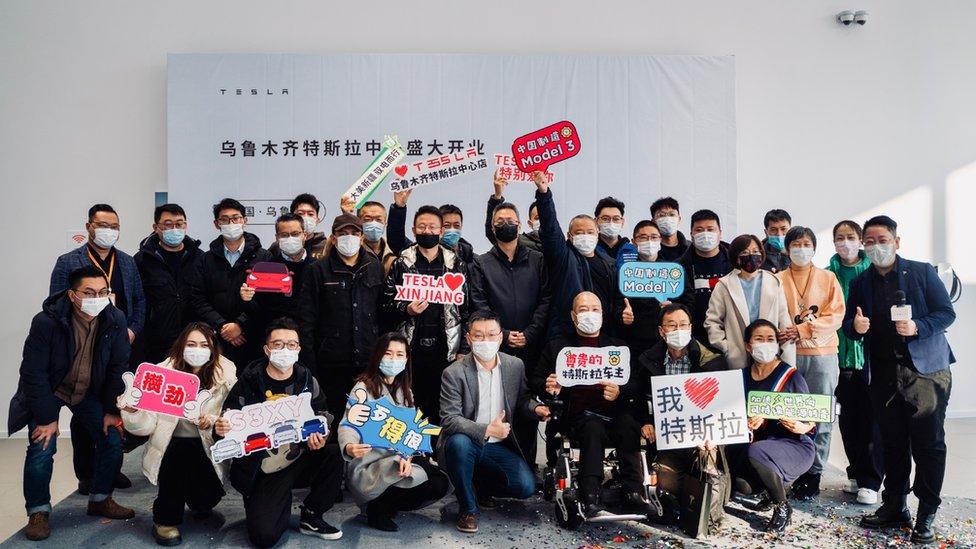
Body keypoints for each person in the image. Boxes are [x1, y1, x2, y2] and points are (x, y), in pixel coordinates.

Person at [843, 215, 956, 544]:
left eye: (882, 240)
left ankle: (927, 512)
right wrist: (856, 328)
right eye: (870, 241)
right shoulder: (861, 282)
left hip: (926, 372)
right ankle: (895, 505)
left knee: (928, 444)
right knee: (891, 443)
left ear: (896, 241)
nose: (876, 247)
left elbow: (946, 312)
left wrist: (918, 326)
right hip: (883, 374)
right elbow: (851, 323)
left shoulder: (921, 272)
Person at [11, 266, 134, 541]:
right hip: (50, 390)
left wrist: (112, 412)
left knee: (112, 439)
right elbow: (33, 372)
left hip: (87, 391)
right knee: (42, 445)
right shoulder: (47, 322)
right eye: (88, 292)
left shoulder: (115, 319)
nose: (96, 298)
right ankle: (38, 510)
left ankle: (100, 498)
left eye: (103, 292)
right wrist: (46, 417)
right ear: (71, 295)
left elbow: (118, 367)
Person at [215, 317, 343, 546]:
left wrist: (322, 436)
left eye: (291, 344)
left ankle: (312, 514)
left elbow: (323, 415)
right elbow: (227, 424)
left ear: (299, 348)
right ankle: (267, 503)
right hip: (264, 467)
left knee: (333, 453)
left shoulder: (307, 380)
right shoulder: (249, 381)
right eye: (278, 344)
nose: (285, 349)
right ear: (267, 349)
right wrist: (222, 428)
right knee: (264, 537)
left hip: (299, 455)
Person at [50, 204, 146, 493]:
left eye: (114, 226)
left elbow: (140, 302)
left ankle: (111, 469)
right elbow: (55, 305)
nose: (108, 231)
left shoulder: (127, 262)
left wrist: (131, 330)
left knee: (115, 409)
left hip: (117, 349)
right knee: (83, 417)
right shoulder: (68, 261)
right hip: (82, 350)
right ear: (89, 226)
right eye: (102, 225)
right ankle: (87, 474)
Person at [121, 323, 237, 546]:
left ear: (213, 348)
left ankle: (199, 499)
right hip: (171, 448)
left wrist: (212, 422)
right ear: (181, 346)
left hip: (208, 448)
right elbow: (145, 427)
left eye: (204, 345)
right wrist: (133, 412)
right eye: (191, 344)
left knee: (205, 501)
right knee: (179, 454)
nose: (197, 349)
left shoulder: (227, 376)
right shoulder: (160, 375)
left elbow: (232, 416)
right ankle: (165, 519)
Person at [439, 310, 550, 534]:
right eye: (478, 336)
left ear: (500, 337)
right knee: (459, 444)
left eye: (491, 335)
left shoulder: (515, 366)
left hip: (498, 446)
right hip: (467, 442)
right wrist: (486, 429)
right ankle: (468, 508)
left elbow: (522, 401)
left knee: (525, 487)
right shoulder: (454, 372)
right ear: (468, 338)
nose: (485, 341)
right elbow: (449, 419)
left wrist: (536, 408)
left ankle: (479, 485)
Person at [534, 292, 642, 516]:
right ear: (573, 316)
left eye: (595, 309)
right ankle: (590, 494)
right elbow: (535, 381)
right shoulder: (558, 348)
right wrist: (549, 385)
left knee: (629, 425)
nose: (589, 314)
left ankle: (634, 492)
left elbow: (636, 384)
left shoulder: (618, 348)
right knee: (592, 426)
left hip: (613, 414)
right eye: (583, 310)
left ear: (602, 314)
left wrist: (620, 392)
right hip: (576, 417)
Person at [469, 199, 551, 471]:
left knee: (526, 407)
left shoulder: (538, 260)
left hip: (532, 345)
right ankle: (491, 472)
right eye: (500, 222)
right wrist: (501, 334)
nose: (506, 225)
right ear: (492, 228)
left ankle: (526, 468)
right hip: (494, 347)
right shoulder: (480, 263)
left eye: (511, 220)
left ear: (520, 224)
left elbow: (546, 299)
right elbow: (478, 303)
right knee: (493, 406)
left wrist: (530, 332)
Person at [338, 333, 450, 532]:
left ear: (406, 360)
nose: (393, 359)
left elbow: (411, 431)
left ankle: (386, 503)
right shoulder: (363, 388)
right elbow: (349, 423)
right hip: (370, 463)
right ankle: (376, 508)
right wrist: (349, 446)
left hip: (396, 458)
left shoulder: (405, 389)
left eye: (400, 354)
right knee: (421, 472)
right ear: (378, 356)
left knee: (439, 482)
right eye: (388, 354)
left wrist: (408, 456)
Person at [775, 226, 845, 500]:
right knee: (788, 412)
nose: (801, 249)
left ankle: (814, 472)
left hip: (822, 355)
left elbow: (836, 316)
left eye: (806, 243)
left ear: (814, 248)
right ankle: (790, 467)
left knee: (820, 413)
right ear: (787, 248)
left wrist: (803, 330)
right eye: (796, 244)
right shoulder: (777, 279)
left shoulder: (828, 278)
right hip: (788, 355)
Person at [728, 319, 816, 533]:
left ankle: (782, 506)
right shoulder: (741, 377)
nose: (765, 344)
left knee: (758, 451)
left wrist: (801, 426)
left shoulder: (790, 376)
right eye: (759, 339)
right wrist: (747, 420)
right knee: (742, 484)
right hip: (758, 448)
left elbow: (812, 422)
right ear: (748, 346)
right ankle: (771, 489)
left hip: (794, 446)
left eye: (771, 339)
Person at [384, 204, 469, 425]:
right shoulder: (402, 262)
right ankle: (416, 455)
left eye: (433, 227)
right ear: (413, 230)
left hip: (446, 347)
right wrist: (406, 308)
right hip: (411, 347)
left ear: (441, 231)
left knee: (442, 403)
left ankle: (437, 453)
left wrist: (463, 348)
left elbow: (466, 308)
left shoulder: (455, 263)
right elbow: (384, 303)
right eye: (422, 227)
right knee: (411, 402)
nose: (427, 231)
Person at [630, 304, 728, 495]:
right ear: (661, 331)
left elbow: (721, 405)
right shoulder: (647, 361)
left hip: (701, 438)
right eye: (672, 326)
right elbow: (639, 396)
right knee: (665, 490)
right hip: (666, 436)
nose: (678, 330)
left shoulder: (713, 362)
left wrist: (712, 432)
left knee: (705, 482)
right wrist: (646, 422)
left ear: (691, 328)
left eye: (683, 325)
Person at [298, 213, 383, 430]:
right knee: (333, 421)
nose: (349, 238)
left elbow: (383, 314)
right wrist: (310, 366)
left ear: (362, 237)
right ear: (333, 238)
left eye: (354, 233)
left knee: (367, 422)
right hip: (331, 364)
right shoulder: (317, 270)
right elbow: (307, 321)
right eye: (342, 234)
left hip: (367, 362)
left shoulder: (374, 267)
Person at [825, 220, 883, 504]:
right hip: (838, 357)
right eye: (839, 237)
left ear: (860, 240)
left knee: (871, 421)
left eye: (850, 237)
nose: (844, 242)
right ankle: (856, 473)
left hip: (870, 359)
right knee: (847, 420)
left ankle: (872, 480)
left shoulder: (872, 273)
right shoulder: (827, 274)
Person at [532, 171, 619, 338]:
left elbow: (614, 301)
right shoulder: (563, 257)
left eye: (590, 232)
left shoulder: (609, 264)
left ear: (597, 235)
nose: (585, 236)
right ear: (569, 236)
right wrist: (544, 194)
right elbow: (550, 228)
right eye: (579, 232)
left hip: (602, 335)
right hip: (565, 333)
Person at [188, 198, 270, 366]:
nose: (231, 223)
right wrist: (222, 326)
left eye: (236, 218)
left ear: (245, 221)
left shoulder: (264, 258)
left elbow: (266, 300)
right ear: (216, 223)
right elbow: (197, 298)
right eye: (224, 219)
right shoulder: (205, 260)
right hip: (216, 339)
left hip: (252, 338)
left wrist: (240, 325)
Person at [704, 234, 796, 369]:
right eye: (745, 252)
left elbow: (784, 320)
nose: (751, 256)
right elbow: (712, 321)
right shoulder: (724, 285)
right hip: (739, 354)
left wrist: (787, 354)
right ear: (736, 257)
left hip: (770, 351)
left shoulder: (774, 281)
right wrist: (727, 348)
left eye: (755, 251)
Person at [135, 203, 204, 364]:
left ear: (186, 226)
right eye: (168, 224)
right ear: (156, 227)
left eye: (179, 224)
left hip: (193, 341)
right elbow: (137, 301)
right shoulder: (142, 259)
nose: (175, 228)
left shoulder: (200, 258)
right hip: (156, 342)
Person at [615, 220, 695, 356]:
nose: (649, 241)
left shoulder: (673, 270)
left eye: (653, 237)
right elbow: (615, 305)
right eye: (643, 238)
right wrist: (622, 315)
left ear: (660, 240)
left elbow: (690, 302)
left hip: (670, 342)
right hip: (636, 343)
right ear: (634, 242)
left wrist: (675, 307)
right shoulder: (625, 272)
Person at [239, 213, 314, 325]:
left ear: (305, 235)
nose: (290, 238)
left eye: (295, 234)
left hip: (308, 336)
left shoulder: (317, 268)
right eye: (284, 235)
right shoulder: (268, 268)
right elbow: (258, 310)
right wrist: (247, 300)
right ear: (277, 238)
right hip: (274, 335)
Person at [677, 209, 732, 342]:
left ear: (720, 233)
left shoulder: (735, 262)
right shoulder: (678, 268)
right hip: (694, 339)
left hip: (731, 335)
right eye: (699, 230)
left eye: (710, 229)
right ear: (691, 234)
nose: (705, 234)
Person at [387, 190, 475, 263]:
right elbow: (396, 240)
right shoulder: (414, 253)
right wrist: (399, 207)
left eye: (456, 225)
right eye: (447, 225)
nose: (452, 229)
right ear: (440, 229)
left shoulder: (471, 259)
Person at [484, 169, 543, 252]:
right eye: (537, 218)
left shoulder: (560, 243)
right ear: (530, 223)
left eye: (546, 217)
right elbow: (492, 230)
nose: (543, 221)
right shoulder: (520, 241)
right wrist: (497, 196)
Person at [267, 193, 328, 260]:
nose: (305, 218)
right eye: (300, 214)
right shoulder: (278, 246)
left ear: (317, 220)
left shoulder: (326, 245)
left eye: (310, 214)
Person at [356, 200, 398, 274]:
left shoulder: (394, 250)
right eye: (368, 219)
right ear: (358, 222)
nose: (374, 224)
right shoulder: (353, 251)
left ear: (385, 223)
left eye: (378, 219)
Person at [650, 197, 689, 261]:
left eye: (672, 214)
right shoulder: (648, 249)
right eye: (661, 215)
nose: (667, 219)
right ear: (653, 221)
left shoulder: (690, 248)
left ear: (679, 219)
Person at [594, 196, 630, 261]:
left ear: (622, 222)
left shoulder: (631, 250)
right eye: (605, 219)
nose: (611, 223)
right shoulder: (589, 248)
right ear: (596, 221)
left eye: (616, 219)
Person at [761, 209, 792, 273]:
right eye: (773, 230)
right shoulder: (759, 256)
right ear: (766, 232)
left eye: (783, 229)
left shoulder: (799, 252)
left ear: (790, 230)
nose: (779, 234)